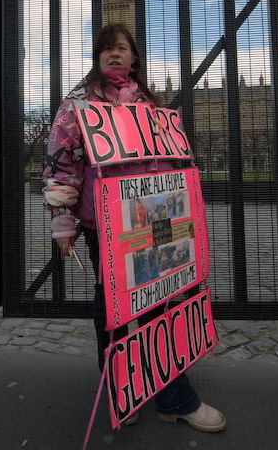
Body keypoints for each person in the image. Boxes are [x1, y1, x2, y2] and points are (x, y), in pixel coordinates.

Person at [42, 23, 226, 432]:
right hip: (104, 225)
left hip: (158, 218)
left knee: (168, 303)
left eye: (121, 48)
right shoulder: (78, 104)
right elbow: (61, 161)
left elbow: (172, 161)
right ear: (97, 57)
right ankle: (123, 389)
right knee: (114, 307)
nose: (114, 54)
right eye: (106, 49)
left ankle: (174, 398)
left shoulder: (151, 106)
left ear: (134, 58)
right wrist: (61, 221)